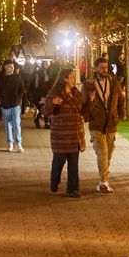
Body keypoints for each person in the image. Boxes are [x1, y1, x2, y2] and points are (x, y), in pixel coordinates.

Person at [83, 54, 126, 193]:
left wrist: (120, 115)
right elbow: (84, 103)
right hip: (96, 123)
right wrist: (88, 117)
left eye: (106, 67)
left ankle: (103, 175)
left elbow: (121, 99)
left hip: (112, 122)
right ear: (96, 69)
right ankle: (103, 181)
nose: (104, 70)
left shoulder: (114, 82)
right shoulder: (89, 84)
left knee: (109, 151)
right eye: (101, 68)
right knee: (103, 151)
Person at [46, 67, 86, 197]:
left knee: (74, 165)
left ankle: (73, 189)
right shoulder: (55, 93)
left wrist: (90, 101)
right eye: (72, 76)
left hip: (75, 135)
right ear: (65, 78)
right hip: (61, 136)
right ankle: (54, 180)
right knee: (59, 162)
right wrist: (53, 102)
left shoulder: (76, 93)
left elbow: (83, 110)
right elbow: (45, 110)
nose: (74, 79)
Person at [0, 59, 25, 152]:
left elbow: (22, 90)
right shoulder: (0, 78)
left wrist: (18, 99)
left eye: (12, 67)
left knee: (16, 124)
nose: (11, 68)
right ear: (5, 67)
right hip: (5, 105)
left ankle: (18, 143)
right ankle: (10, 143)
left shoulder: (18, 77)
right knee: (7, 125)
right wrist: (0, 99)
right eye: (9, 66)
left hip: (15, 104)